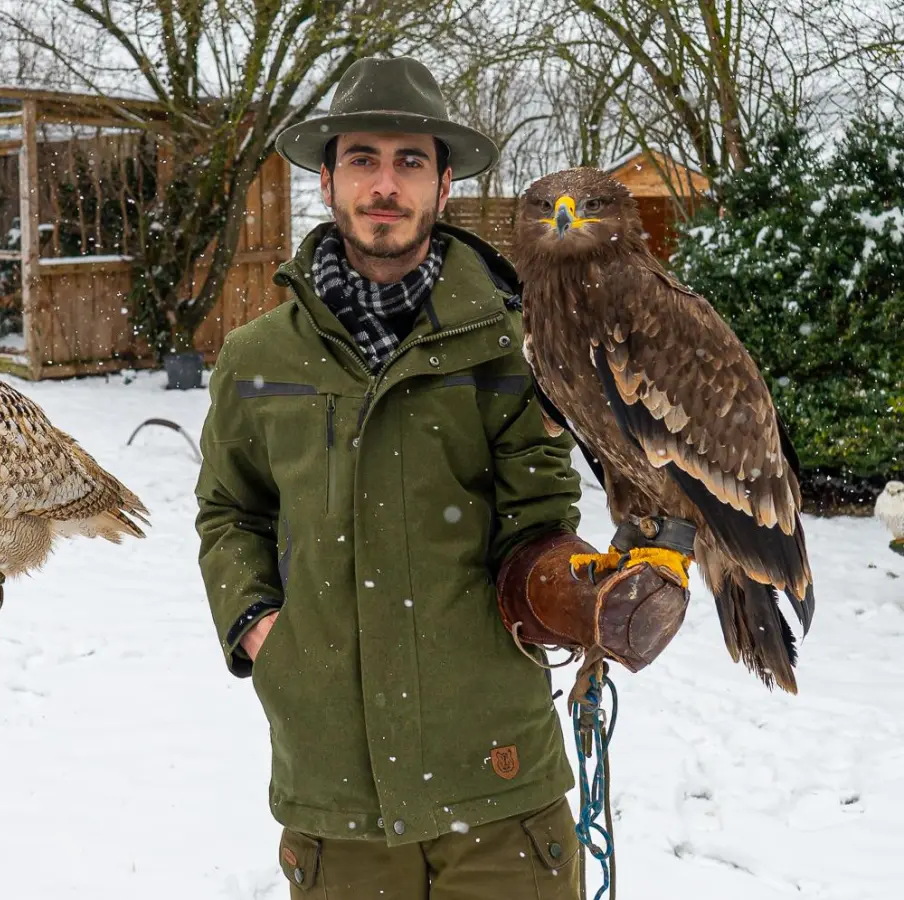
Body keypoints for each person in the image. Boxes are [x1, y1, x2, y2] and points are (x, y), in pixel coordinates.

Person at [195, 58, 688, 899]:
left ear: (445, 183)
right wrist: (259, 629)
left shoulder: (513, 341)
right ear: (328, 178)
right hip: (334, 795)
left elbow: (539, 517)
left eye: (410, 162)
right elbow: (229, 511)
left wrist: (566, 587)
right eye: (363, 160)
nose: (385, 185)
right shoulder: (257, 358)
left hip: (498, 784)